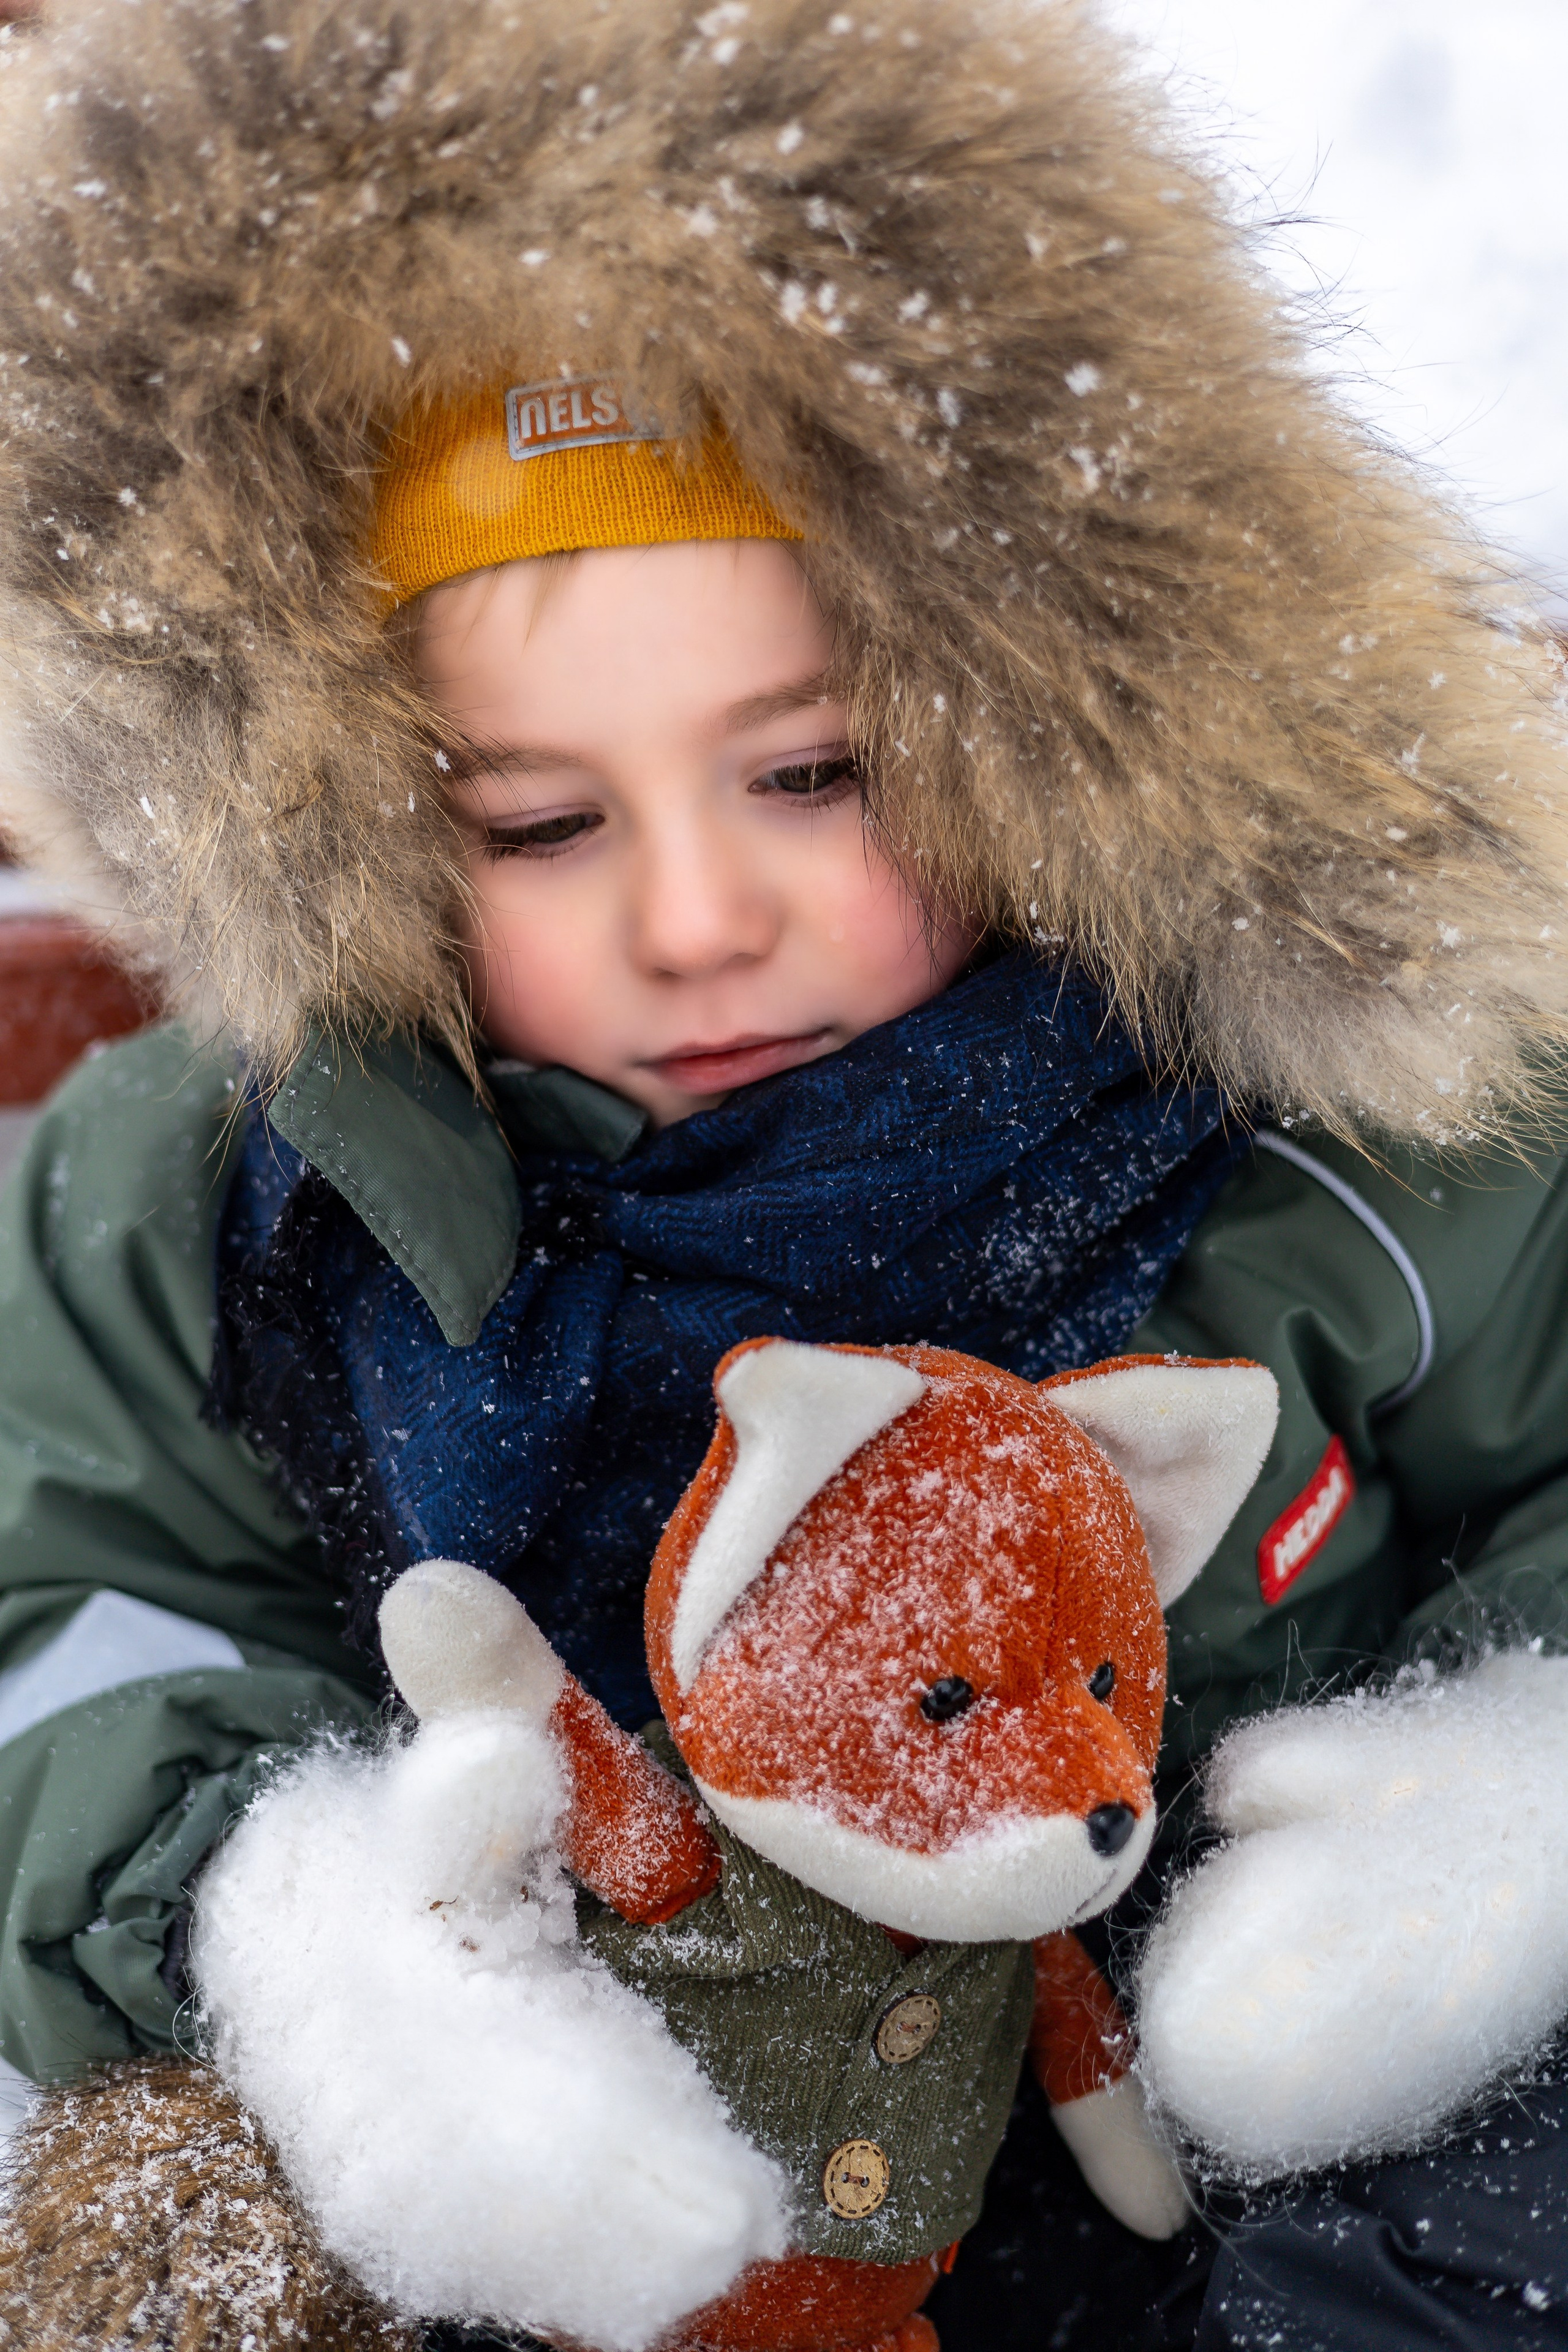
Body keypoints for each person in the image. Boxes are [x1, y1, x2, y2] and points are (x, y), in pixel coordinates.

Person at [0, 0, 1566, 2344]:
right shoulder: (226, 1203)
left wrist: (1488, 1807)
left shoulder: (1324, 1123)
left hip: (1239, 2154)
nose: (699, 916)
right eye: (536, 820)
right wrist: (320, 1935)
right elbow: (85, 1615)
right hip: (648, 2192)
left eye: (813, 774)